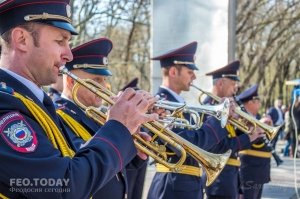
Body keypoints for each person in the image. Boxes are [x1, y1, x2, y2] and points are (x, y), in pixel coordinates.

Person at [0, 1, 157, 198]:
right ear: (22, 39)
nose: (69, 54)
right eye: (60, 41)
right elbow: (61, 188)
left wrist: (126, 141)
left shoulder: (32, 102)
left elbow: (72, 163)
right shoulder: (6, 106)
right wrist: (117, 128)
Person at [147, 44, 262, 199]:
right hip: (173, 186)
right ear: (173, 72)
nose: (194, 76)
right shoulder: (161, 104)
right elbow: (188, 144)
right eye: (190, 72)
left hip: (185, 184)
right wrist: (219, 118)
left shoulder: (178, 104)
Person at [203, 60, 262, 199]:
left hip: (231, 177)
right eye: (233, 84)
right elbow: (217, 147)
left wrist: (247, 128)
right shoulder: (208, 108)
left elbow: (232, 143)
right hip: (218, 180)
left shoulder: (228, 107)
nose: (236, 88)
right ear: (220, 84)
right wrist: (248, 137)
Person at [237, 84, 272, 199]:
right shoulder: (243, 118)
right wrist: (259, 126)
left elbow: (264, 143)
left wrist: (267, 130)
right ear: (251, 102)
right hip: (249, 170)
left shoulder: (254, 118)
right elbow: (243, 141)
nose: (259, 103)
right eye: (258, 100)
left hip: (258, 169)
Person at [266, 98, 284, 165]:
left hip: (279, 127)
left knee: (275, 141)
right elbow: (268, 115)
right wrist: (271, 123)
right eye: (279, 102)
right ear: (275, 103)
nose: (280, 103)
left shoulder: (280, 110)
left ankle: (273, 153)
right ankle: (271, 153)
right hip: (274, 126)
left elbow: (281, 117)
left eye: (280, 102)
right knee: (272, 141)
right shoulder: (273, 109)